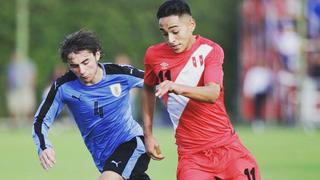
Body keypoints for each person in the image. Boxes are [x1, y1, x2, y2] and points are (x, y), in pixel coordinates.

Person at [142, 1, 261, 180]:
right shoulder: (153, 55)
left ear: (191, 24)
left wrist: (176, 86)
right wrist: (148, 134)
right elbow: (148, 88)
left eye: (175, 31)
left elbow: (213, 93)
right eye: (164, 34)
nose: (170, 39)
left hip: (229, 150)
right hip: (192, 158)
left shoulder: (210, 50)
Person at [32, 30, 150, 180]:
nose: (81, 70)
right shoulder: (63, 87)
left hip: (131, 142)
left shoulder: (120, 74)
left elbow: (157, 83)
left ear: (97, 55)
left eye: (86, 62)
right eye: (74, 66)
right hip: (103, 158)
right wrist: (43, 146)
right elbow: (40, 120)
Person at [6, 52, 36, 128]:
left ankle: (29, 124)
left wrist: (32, 86)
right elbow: (9, 78)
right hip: (14, 89)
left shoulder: (28, 64)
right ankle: (14, 124)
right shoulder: (11, 66)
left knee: (28, 106)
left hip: (25, 88)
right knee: (14, 106)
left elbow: (32, 75)